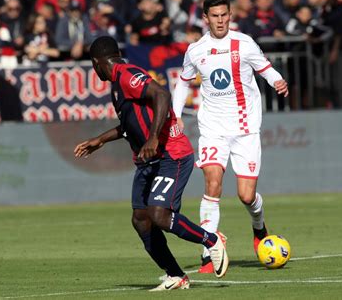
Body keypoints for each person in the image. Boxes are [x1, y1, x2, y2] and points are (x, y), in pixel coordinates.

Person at [73, 36, 229, 291]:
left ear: (96, 63)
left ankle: (211, 240)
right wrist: (100, 140)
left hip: (171, 154)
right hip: (148, 160)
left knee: (159, 214)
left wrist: (155, 137)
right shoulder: (116, 84)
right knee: (141, 219)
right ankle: (176, 276)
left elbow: (161, 94)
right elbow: (130, 125)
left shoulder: (127, 74)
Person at [172, 0, 289, 273]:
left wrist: (277, 81)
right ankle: (207, 250)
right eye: (215, 16)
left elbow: (265, 68)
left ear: (230, 15)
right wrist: (175, 116)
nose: (221, 20)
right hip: (213, 128)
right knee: (212, 183)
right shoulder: (196, 50)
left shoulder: (244, 43)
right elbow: (183, 83)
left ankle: (259, 229)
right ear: (205, 18)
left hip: (246, 128)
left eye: (224, 15)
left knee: (247, 196)